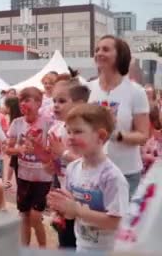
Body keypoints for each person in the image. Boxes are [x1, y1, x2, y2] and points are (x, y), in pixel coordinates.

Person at [48, 104, 129, 253]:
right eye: (69, 131)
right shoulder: (73, 168)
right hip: (82, 246)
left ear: (101, 136)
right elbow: (71, 210)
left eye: (78, 131)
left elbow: (116, 222)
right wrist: (60, 208)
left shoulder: (111, 177)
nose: (70, 137)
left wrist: (78, 211)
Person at [88, 35, 149, 198]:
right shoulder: (89, 88)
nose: (99, 53)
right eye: (97, 49)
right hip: (93, 170)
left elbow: (143, 136)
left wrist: (115, 135)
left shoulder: (136, 91)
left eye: (106, 49)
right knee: (92, 221)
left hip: (125, 173)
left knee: (119, 223)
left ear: (120, 56)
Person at [6, 87, 54, 247]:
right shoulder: (17, 123)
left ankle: (42, 249)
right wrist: (18, 150)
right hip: (23, 177)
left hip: (43, 178)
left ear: (39, 103)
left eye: (27, 100)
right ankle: (25, 249)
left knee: (35, 216)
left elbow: (54, 149)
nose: (23, 104)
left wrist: (41, 148)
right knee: (24, 215)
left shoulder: (48, 123)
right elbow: (7, 149)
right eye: (21, 100)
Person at [45, 79, 89, 249]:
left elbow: (89, 163)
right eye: (54, 100)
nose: (56, 105)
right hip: (64, 195)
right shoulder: (54, 130)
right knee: (65, 243)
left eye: (62, 101)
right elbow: (52, 169)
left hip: (85, 197)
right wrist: (45, 158)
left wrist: (63, 152)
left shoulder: (86, 130)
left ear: (79, 104)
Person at [3, 96, 22, 189]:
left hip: (18, 149)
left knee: (14, 163)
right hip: (16, 149)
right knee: (13, 163)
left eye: (6, 106)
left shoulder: (17, 120)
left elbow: (11, 140)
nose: (4, 108)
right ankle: (8, 180)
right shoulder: (15, 119)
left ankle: (8, 181)